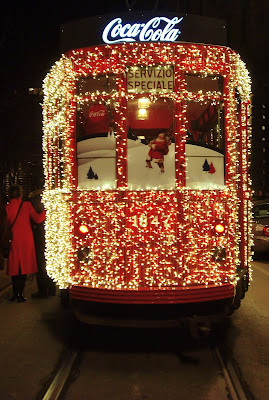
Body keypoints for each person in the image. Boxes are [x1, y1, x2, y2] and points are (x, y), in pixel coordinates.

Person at [6, 184, 46, 303]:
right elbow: (38, 219)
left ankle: (14, 293)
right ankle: (20, 294)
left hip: (13, 239)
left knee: (15, 267)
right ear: (20, 194)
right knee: (23, 267)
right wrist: (45, 211)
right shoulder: (26, 205)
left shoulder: (6, 208)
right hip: (26, 239)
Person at [29, 187, 56, 298]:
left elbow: (39, 219)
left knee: (41, 263)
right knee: (47, 262)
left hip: (42, 236)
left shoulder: (45, 210)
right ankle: (51, 288)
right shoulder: (52, 208)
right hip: (49, 236)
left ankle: (44, 290)